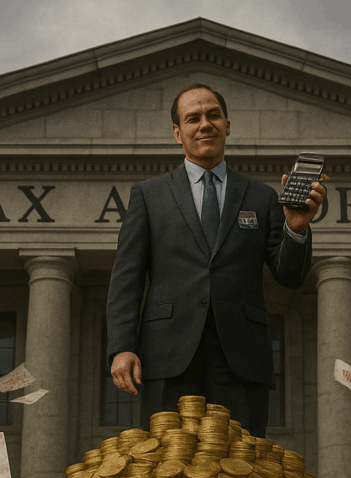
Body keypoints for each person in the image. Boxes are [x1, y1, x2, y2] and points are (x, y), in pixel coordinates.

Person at [106, 83, 327, 436]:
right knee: (169, 471)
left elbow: (290, 274)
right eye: (193, 118)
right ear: (178, 133)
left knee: (241, 470)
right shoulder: (149, 196)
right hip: (167, 357)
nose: (204, 124)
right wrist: (121, 348)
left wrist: (296, 228)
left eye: (213, 115)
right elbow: (126, 278)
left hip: (241, 360)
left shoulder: (261, 195)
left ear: (227, 125)